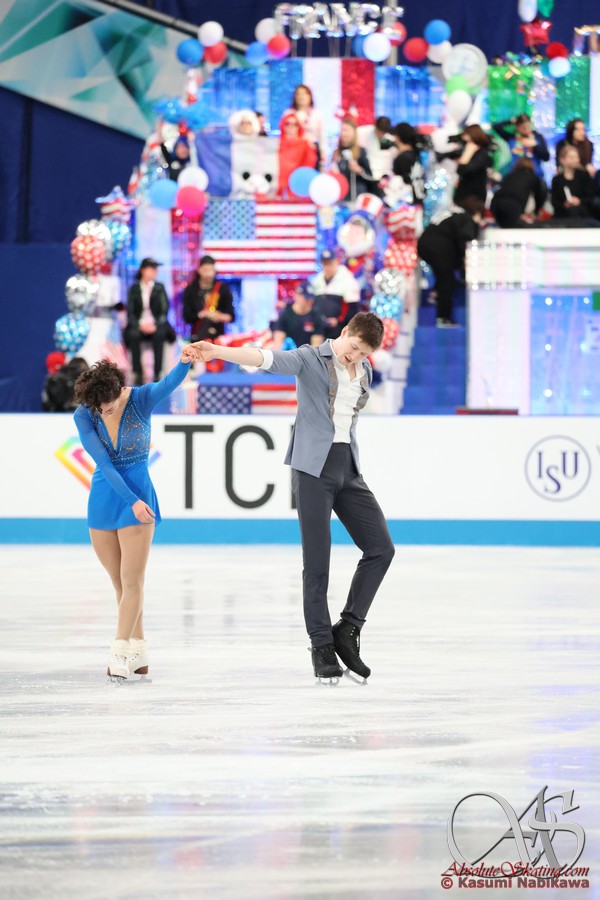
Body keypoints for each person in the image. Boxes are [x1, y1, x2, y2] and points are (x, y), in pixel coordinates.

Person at [188, 312, 395, 684]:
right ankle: (321, 645)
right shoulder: (309, 359)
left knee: (381, 548)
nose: (354, 357)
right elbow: (264, 358)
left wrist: (360, 360)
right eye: (352, 348)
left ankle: (348, 629)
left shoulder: (363, 370)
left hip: (348, 468)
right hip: (312, 469)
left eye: (363, 353)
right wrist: (217, 351)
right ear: (344, 331)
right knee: (317, 562)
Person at [73, 349, 193, 682]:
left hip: (140, 497)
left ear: (119, 390)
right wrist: (130, 501)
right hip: (104, 499)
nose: (103, 412)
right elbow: (104, 463)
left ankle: (119, 650)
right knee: (119, 583)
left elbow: (170, 382)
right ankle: (139, 649)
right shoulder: (85, 414)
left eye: (108, 406)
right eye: (98, 408)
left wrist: (185, 360)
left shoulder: (141, 399)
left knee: (132, 581)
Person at [417, 197, 485, 326]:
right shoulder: (465, 218)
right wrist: (467, 258)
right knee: (447, 280)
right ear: (477, 212)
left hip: (425, 244)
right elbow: (465, 239)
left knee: (444, 273)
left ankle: (436, 294)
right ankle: (443, 317)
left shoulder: (452, 212)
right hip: (438, 247)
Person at [124, 258, 173, 385]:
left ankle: (157, 372)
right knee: (133, 335)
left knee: (160, 335)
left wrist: (155, 325)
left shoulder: (159, 288)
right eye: (152, 269)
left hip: (156, 325)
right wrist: (139, 325)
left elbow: (164, 310)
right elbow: (130, 312)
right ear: (143, 270)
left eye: (156, 269)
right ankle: (138, 372)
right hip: (139, 325)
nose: (155, 272)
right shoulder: (134, 288)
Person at [182, 255, 235, 341]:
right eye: (205, 270)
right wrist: (202, 314)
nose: (208, 274)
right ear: (199, 270)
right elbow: (186, 316)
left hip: (218, 336)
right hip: (197, 335)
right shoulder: (191, 289)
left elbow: (231, 316)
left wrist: (218, 315)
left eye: (210, 270)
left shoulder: (222, 288)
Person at [311, 249, 361, 340]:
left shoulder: (347, 279)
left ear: (336, 262)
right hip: (320, 328)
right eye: (325, 264)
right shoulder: (318, 280)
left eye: (330, 264)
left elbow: (353, 308)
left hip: (339, 330)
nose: (327, 267)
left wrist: (339, 321)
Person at [490, 158, 547, 228]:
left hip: (495, 204)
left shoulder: (509, 176)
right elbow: (539, 196)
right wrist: (537, 211)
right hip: (513, 206)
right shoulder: (533, 177)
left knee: (502, 228)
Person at [492, 113, 549, 177]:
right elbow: (496, 127)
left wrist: (535, 146)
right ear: (517, 127)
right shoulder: (512, 137)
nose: (526, 129)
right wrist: (511, 121)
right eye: (523, 127)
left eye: (527, 126)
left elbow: (546, 157)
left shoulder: (537, 137)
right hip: (516, 174)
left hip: (535, 174)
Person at [271, 282, 325, 350]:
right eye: (306, 299)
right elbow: (278, 341)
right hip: (288, 353)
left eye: (311, 299)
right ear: (297, 295)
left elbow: (316, 344)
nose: (309, 302)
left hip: (307, 354)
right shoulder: (286, 314)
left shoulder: (315, 316)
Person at [332, 118, 375, 201]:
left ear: (354, 132)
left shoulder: (361, 151)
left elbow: (370, 176)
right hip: (340, 198)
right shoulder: (336, 153)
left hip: (357, 198)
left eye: (346, 130)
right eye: (342, 130)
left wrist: (359, 170)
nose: (343, 134)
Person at [284, 84, 326, 168]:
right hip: (294, 150)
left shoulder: (317, 114)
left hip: (312, 150)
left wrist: (323, 154)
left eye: (304, 93)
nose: (301, 96)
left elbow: (322, 136)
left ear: (310, 96)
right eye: (298, 94)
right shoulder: (289, 113)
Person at [277, 112, 318, 198]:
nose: (291, 126)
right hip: (277, 184)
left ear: (299, 126)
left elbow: (309, 164)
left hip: (296, 185)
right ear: (283, 125)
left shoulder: (305, 144)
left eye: (295, 124)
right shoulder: (276, 143)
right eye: (287, 123)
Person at [551, 145, 597, 221]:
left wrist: (579, 201)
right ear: (562, 159)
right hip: (563, 213)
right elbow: (554, 201)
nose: (575, 160)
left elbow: (591, 196)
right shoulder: (557, 180)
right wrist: (565, 204)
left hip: (582, 212)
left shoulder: (584, 175)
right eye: (571, 157)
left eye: (577, 157)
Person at [454, 125, 492, 206]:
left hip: (473, 197)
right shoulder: (478, 153)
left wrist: (467, 153)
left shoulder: (482, 154)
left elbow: (463, 170)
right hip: (464, 194)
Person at [357, 116, 396, 189]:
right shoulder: (362, 132)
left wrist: (387, 177)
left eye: (383, 133)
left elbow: (390, 162)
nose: (380, 135)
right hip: (365, 173)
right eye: (379, 131)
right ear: (375, 126)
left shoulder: (389, 140)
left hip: (383, 177)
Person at [392, 122, 426, 204]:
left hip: (406, 202)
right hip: (419, 197)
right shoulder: (415, 154)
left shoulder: (402, 158)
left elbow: (400, 182)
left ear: (397, 137)